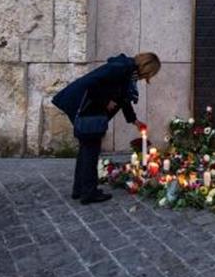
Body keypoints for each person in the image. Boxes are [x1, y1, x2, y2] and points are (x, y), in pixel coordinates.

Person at [52, 52, 161, 205]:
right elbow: (92, 83)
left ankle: (79, 189)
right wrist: (106, 101)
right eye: (150, 73)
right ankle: (89, 193)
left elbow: (123, 99)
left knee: (85, 151)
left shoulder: (126, 71)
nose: (147, 77)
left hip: (89, 111)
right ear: (146, 68)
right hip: (89, 112)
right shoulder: (121, 69)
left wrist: (134, 121)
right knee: (90, 152)